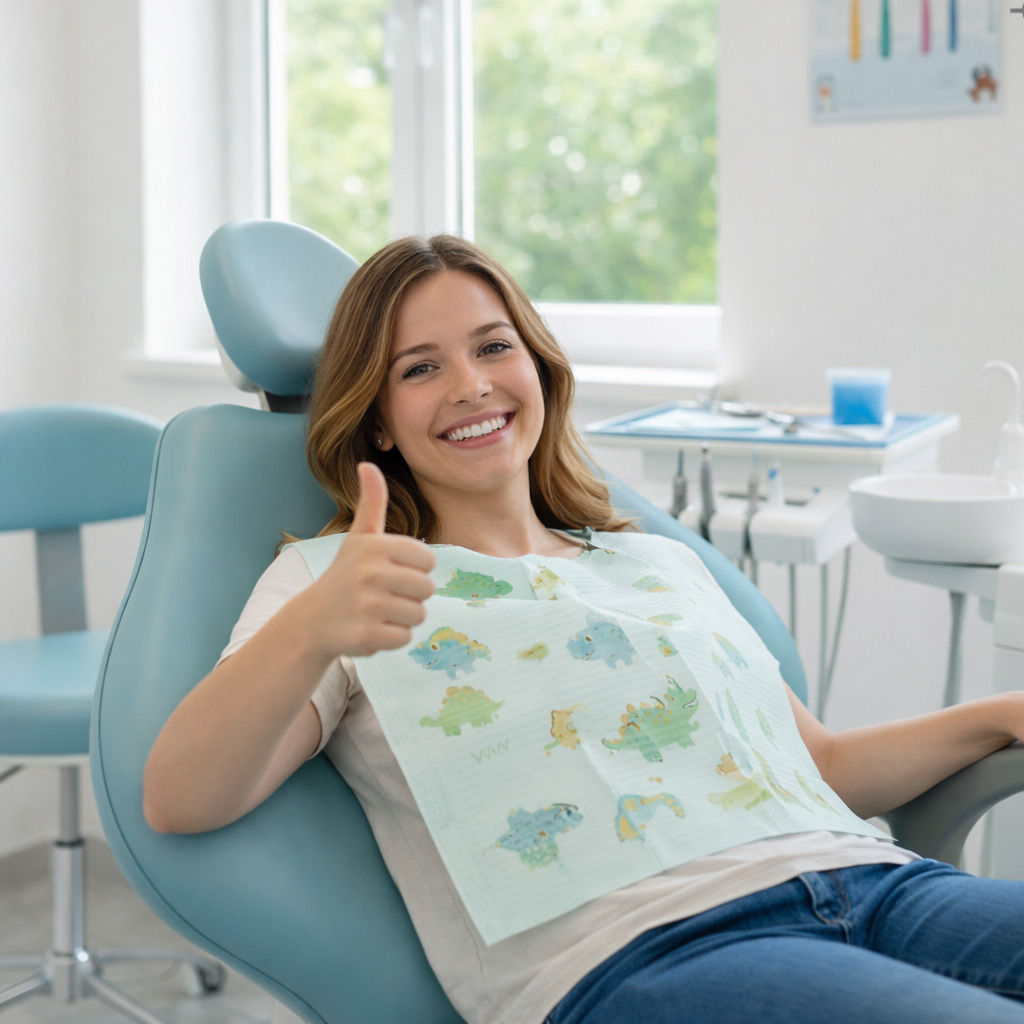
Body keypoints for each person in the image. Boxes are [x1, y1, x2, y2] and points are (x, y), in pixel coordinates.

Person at [144, 234, 1024, 1024]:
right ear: (376, 417)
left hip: (878, 886)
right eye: (419, 369)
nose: (472, 385)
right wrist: (311, 633)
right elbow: (179, 799)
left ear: (538, 367)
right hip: (653, 952)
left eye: (494, 347)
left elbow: (823, 768)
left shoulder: (654, 560)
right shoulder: (344, 581)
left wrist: (1002, 714)